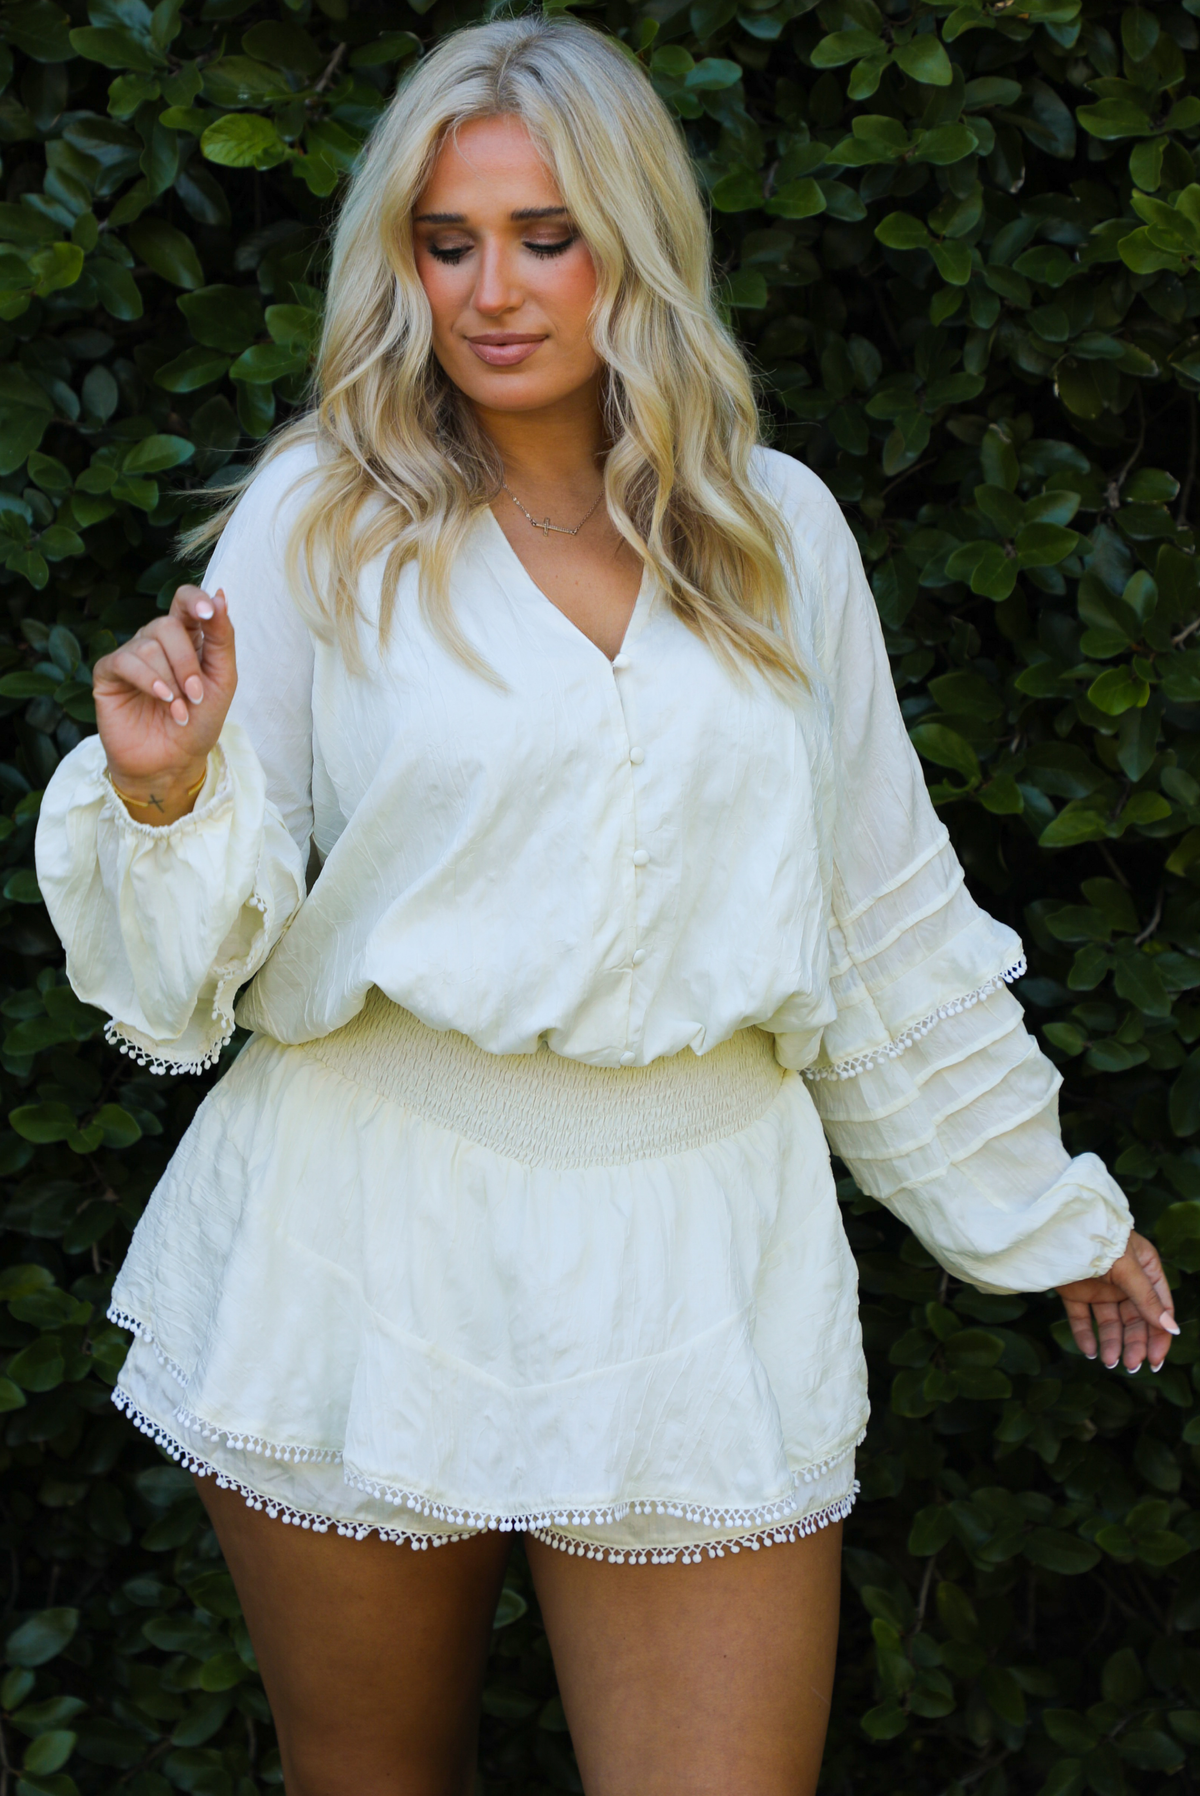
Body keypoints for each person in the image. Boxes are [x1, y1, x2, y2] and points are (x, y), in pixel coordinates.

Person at [35, 15, 1174, 1796]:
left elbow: (877, 915)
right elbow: (186, 983)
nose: (493, 289)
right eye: (447, 239)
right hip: (368, 1219)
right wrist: (168, 792)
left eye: (546, 236)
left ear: (634, 245)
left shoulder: (776, 536)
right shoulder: (319, 520)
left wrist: (1043, 1211)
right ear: (396, 261)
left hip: (703, 1252)